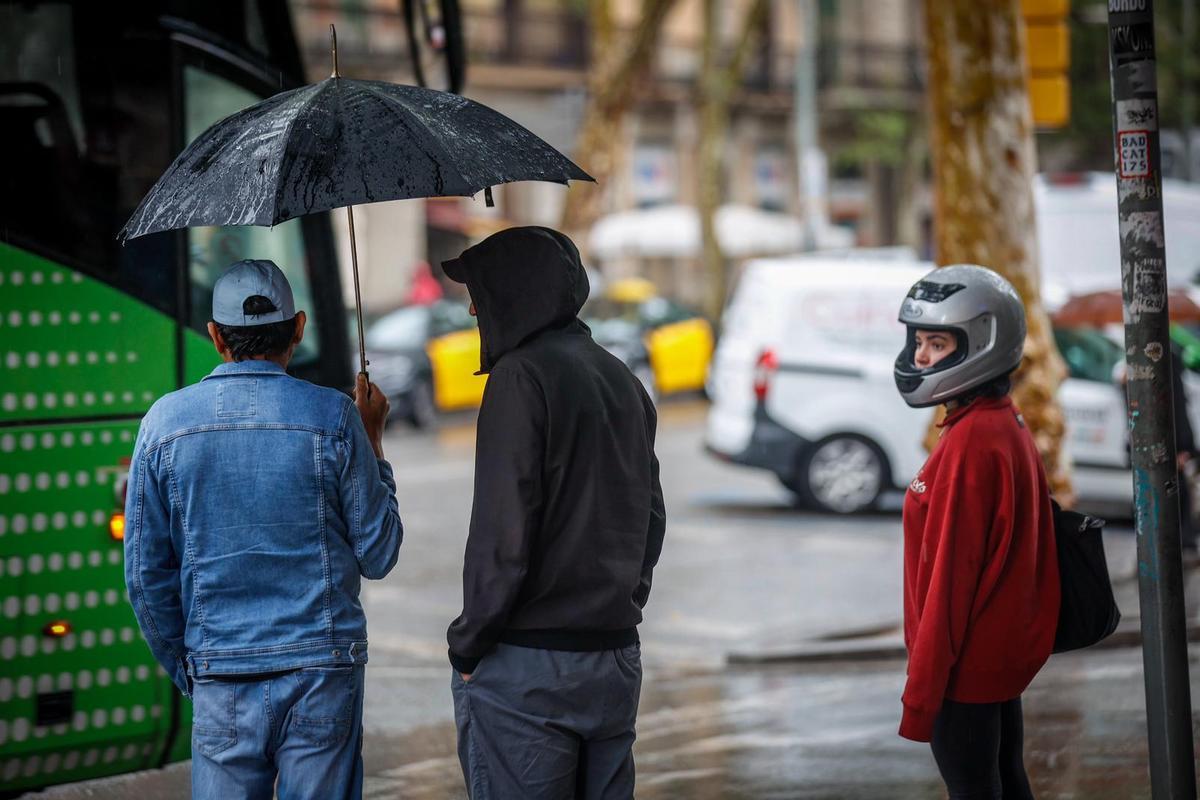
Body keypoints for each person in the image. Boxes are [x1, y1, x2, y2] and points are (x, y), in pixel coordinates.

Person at [124, 259, 402, 800]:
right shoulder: (335, 417)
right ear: (299, 327)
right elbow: (380, 553)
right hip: (323, 671)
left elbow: (144, 575)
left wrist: (193, 669)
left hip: (221, 674)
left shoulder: (163, 422)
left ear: (214, 336)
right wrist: (374, 442)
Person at [442, 226, 665, 800]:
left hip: (530, 669)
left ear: (515, 291)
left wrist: (469, 644)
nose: (471, 306)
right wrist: (623, 600)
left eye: (480, 290)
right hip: (613, 655)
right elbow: (651, 517)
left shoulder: (520, 377)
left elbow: (504, 531)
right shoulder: (620, 377)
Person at [892, 265, 1060, 799]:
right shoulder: (999, 422)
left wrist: (922, 696)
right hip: (994, 664)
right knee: (1006, 782)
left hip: (964, 671)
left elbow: (948, 583)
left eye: (937, 343)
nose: (920, 357)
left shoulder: (970, 444)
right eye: (919, 341)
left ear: (982, 345)